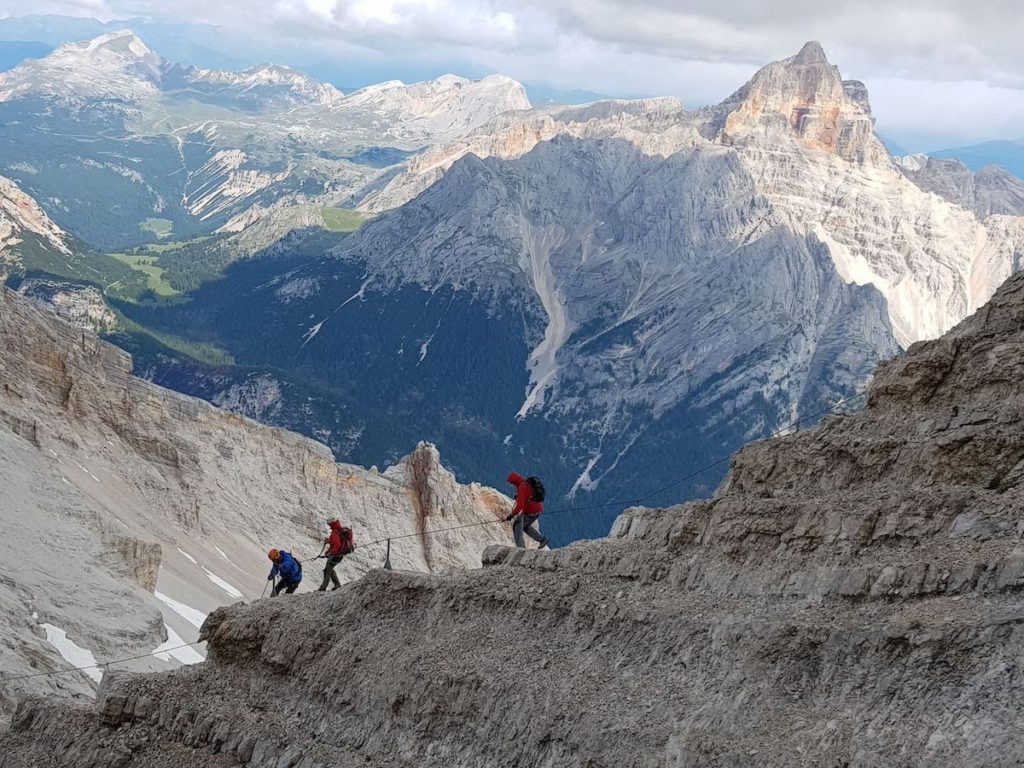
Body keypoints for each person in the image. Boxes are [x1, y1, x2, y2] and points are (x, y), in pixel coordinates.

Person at [505, 472, 549, 549]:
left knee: (517, 526)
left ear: (514, 481)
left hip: (530, 512)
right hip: (538, 510)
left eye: (511, 483)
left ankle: (521, 549)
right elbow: (529, 495)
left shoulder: (521, 488)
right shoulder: (526, 483)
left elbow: (519, 506)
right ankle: (542, 540)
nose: (511, 484)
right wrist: (518, 497)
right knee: (526, 526)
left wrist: (512, 515)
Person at [318, 518, 354, 591]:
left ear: (331, 523)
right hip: (340, 554)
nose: (328, 525)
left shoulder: (335, 532)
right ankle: (337, 584)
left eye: (329, 523)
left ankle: (323, 587)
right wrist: (329, 541)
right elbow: (337, 542)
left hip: (336, 555)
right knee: (330, 569)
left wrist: (331, 552)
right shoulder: (339, 529)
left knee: (327, 570)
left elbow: (337, 545)